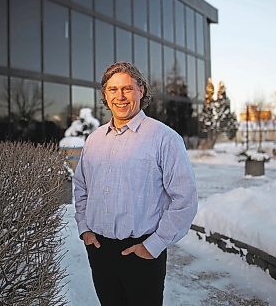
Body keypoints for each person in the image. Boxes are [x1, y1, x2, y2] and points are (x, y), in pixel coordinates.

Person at [74, 61, 198, 305]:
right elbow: (81, 187)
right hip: (99, 250)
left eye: (127, 89)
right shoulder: (94, 140)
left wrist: (154, 245)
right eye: (113, 89)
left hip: (142, 253)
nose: (120, 96)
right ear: (105, 95)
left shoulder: (164, 138)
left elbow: (184, 200)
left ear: (141, 90)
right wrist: (85, 229)